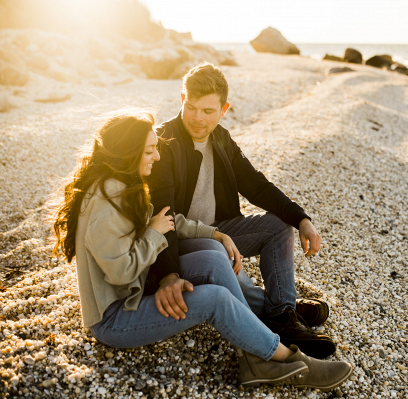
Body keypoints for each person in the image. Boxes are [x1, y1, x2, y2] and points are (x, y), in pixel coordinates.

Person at [51, 109, 352, 390]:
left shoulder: (124, 184)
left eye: (155, 147)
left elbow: (169, 220)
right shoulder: (105, 206)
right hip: (116, 317)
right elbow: (121, 272)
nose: (157, 155)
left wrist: (216, 234)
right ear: (127, 153)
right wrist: (155, 235)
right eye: (149, 150)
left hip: (137, 288)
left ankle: (258, 340)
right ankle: (283, 359)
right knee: (216, 299)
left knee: (211, 254)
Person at [146, 63, 335, 359]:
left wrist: (301, 219)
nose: (197, 118)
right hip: (179, 241)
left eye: (208, 111)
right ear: (182, 99)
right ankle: (277, 311)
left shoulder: (221, 138)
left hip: (220, 229)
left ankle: (281, 314)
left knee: (278, 226)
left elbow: (257, 185)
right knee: (215, 248)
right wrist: (168, 275)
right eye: (191, 107)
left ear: (224, 109)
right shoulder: (164, 143)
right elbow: (164, 216)